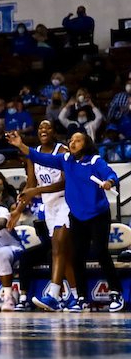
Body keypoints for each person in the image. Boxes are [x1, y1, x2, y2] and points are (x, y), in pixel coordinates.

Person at [7, 129, 122, 312]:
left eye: (77, 140)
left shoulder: (95, 161)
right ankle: (82, 298)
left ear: (86, 145)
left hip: (97, 214)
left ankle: (116, 292)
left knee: (101, 252)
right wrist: (21, 145)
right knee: (77, 256)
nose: (72, 143)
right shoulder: (65, 160)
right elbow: (39, 157)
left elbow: (111, 174)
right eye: (71, 140)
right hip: (77, 215)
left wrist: (110, 182)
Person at [9, 121, 77, 311]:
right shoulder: (33, 154)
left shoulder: (62, 151)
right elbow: (31, 184)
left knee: (57, 246)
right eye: (40, 128)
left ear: (55, 132)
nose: (43, 130)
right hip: (49, 207)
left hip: (65, 203)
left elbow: (65, 182)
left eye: (48, 127)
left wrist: (37, 190)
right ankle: (77, 296)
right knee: (63, 254)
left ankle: (53, 295)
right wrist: (18, 210)